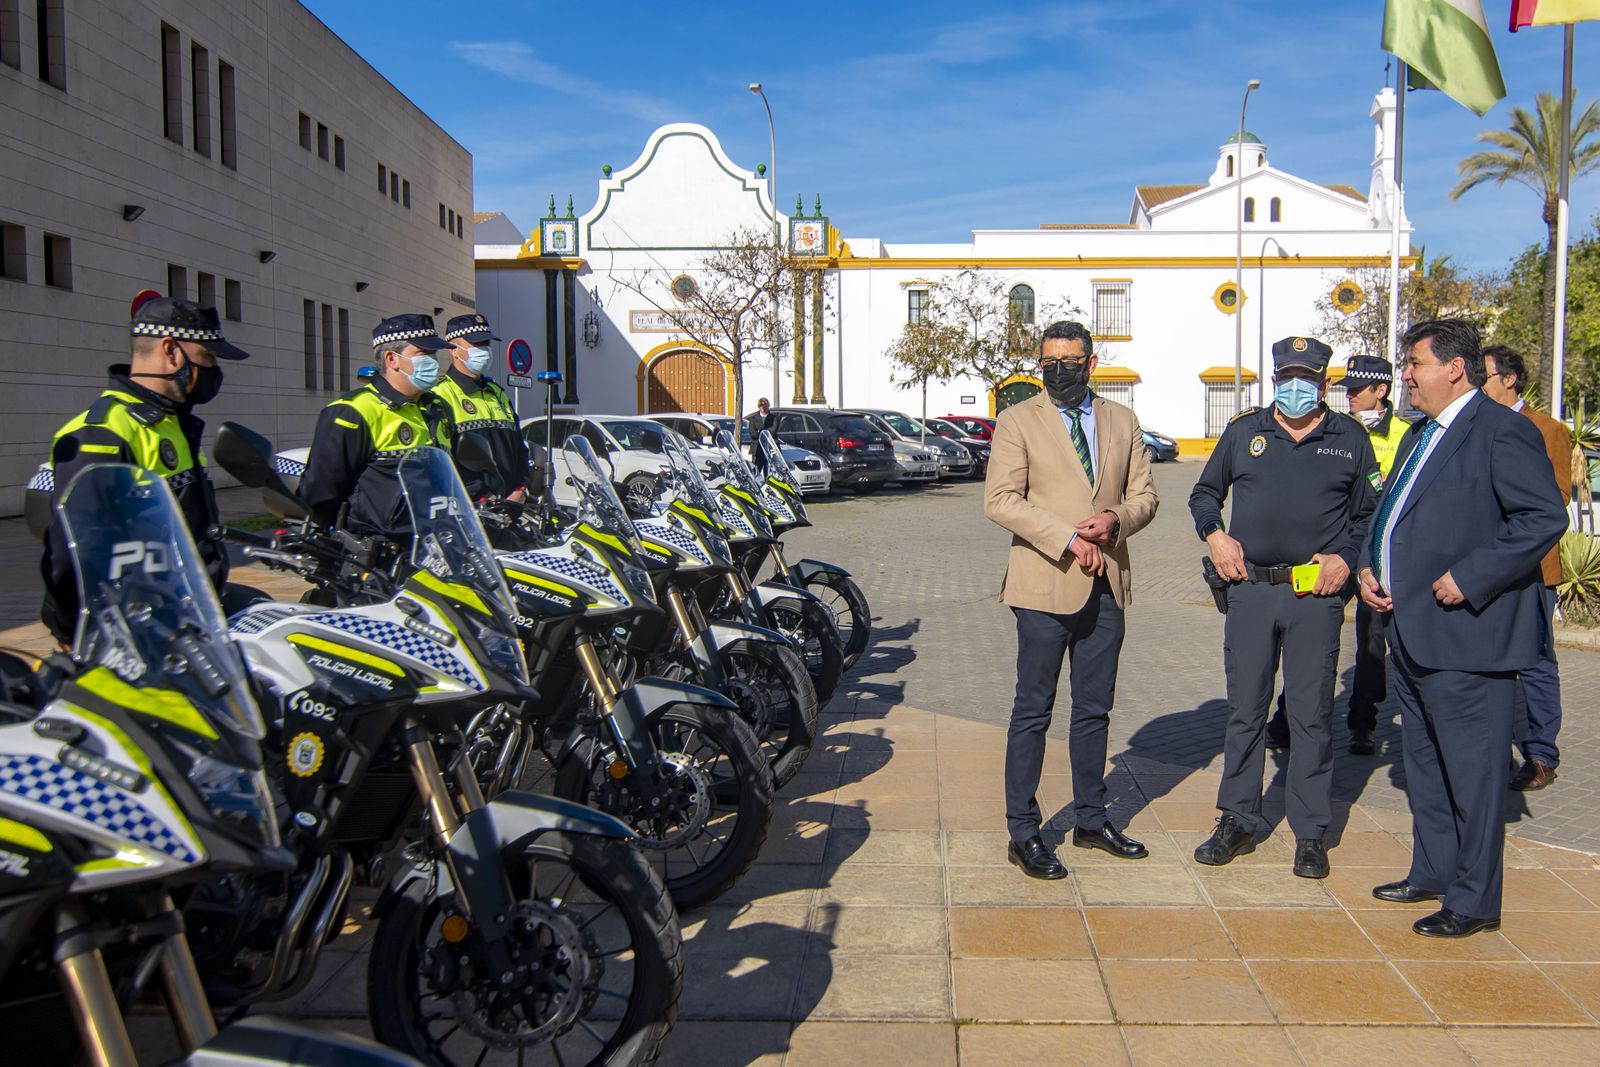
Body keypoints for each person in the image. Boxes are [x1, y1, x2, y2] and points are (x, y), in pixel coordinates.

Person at [1360, 320, 1566, 937]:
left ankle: (1474, 900)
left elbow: (1541, 517)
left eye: (1414, 363)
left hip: (1468, 634)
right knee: (1424, 764)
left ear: (1454, 367)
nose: (1406, 376)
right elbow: (1391, 512)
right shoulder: (1419, 434)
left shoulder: (1502, 431)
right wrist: (1373, 563)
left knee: (1474, 777)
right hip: (1413, 632)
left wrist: (1471, 577)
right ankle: (1434, 869)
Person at [1188, 336, 1378, 880]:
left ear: (1324, 384)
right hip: (1249, 590)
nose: (1297, 387)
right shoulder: (1245, 431)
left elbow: (1370, 512)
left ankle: (1311, 831)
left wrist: (1345, 557)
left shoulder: (1349, 438)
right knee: (1245, 709)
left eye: (1309, 378)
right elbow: (1204, 493)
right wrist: (1215, 536)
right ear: (1274, 380)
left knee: (1311, 713)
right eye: (1287, 377)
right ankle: (1237, 818)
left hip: (1313, 596)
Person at [983, 321, 1160, 879]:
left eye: (1069, 359)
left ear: (1091, 361)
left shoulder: (1121, 420)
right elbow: (1001, 499)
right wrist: (1067, 538)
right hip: (1042, 585)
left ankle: (1090, 817)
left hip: (1106, 583)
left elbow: (1145, 497)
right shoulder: (1017, 420)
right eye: (1049, 360)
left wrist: (1113, 521)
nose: (1058, 368)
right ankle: (1023, 830)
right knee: (1032, 711)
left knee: (1093, 710)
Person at [38, 297, 250, 643]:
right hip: (135, 637)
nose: (214, 369)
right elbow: (71, 557)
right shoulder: (102, 434)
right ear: (171, 350)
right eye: (208, 356)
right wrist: (77, 637)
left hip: (187, 624)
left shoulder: (171, 423)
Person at [1264, 354, 1411, 756]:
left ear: (1381, 391)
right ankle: (1287, 720)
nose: (1349, 396)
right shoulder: (1334, 429)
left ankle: (1362, 722)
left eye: (1358, 390)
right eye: (1345, 389)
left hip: (1378, 554)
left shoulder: (1403, 435)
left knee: (1370, 641)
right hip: (1331, 552)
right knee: (1309, 636)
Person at [1481, 344, 1572, 792]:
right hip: (1483, 568)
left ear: (1509, 379)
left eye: (1485, 377)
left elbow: (1556, 498)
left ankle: (1541, 754)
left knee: (1536, 662)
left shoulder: (1545, 428)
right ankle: (1491, 751)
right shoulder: (1475, 425)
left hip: (1532, 569)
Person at [301, 314, 453, 539]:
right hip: (379, 554)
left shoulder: (436, 408)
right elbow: (320, 494)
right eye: (423, 354)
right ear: (392, 359)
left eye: (434, 354)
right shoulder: (352, 412)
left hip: (435, 544)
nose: (433, 361)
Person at [435, 313, 531, 501]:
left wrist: (522, 488)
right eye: (476, 344)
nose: (484, 350)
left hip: (510, 508)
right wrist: (480, 495)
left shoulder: (497, 393)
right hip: (471, 512)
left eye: (486, 343)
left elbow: (519, 449)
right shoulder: (440, 395)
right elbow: (441, 462)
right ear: (453, 349)